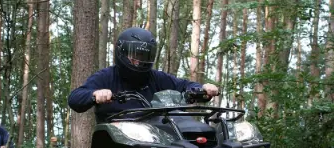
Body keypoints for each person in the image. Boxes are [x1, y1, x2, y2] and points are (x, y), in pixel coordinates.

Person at [68, 27, 220, 123]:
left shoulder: (156, 78)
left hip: (154, 138)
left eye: (144, 56)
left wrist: (202, 88)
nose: (139, 61)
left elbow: (183, 85)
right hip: (117, 142)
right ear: (122, 53)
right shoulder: (106, 76)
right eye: (135, 56)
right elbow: (75, 98)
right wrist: (95, 94)